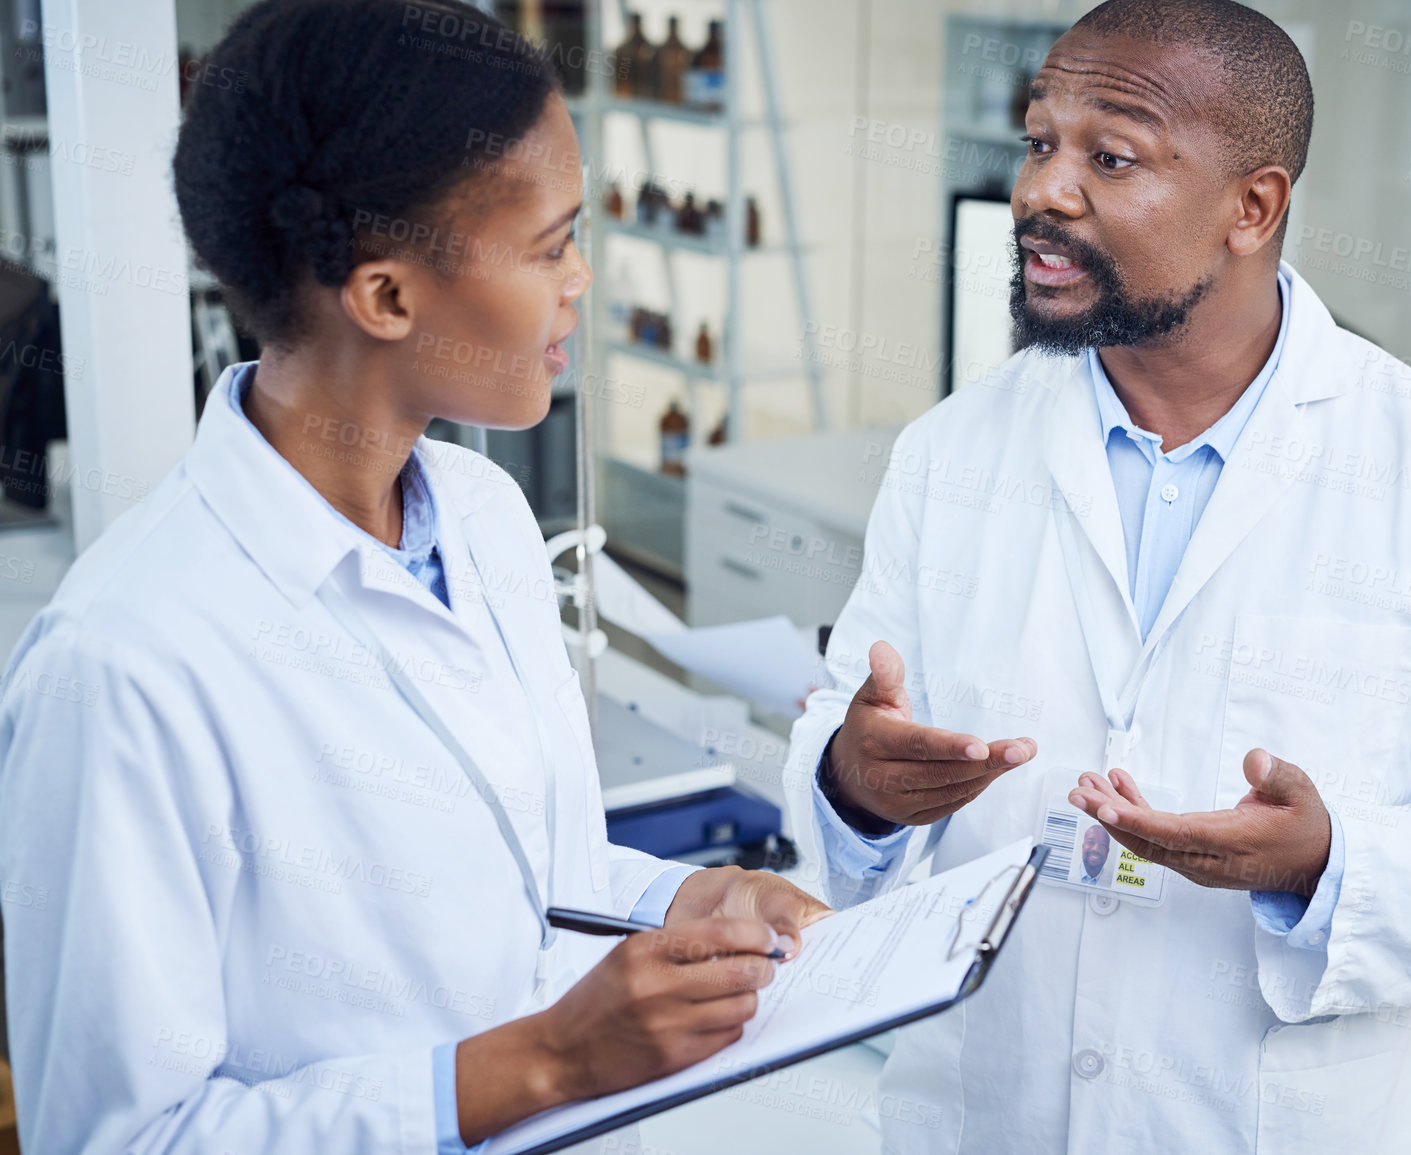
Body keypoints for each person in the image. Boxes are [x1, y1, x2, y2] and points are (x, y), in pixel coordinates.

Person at [784, 0, 1411, 1150]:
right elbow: (850, 743)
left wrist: (1327, 865)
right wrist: (855, 781)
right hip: (986, 1111)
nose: (1043, 190)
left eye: (1111, 156)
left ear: (1253, 206)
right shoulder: (952, 454)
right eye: (1040, 141)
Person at [0, 3, 829, 1153]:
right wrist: (541, 1062)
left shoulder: (483, 516)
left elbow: (537, 877)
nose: (583, 279)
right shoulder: (123, 664)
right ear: (386, 297)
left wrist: (690, 902)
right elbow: (119, 1139)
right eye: (550, 246)